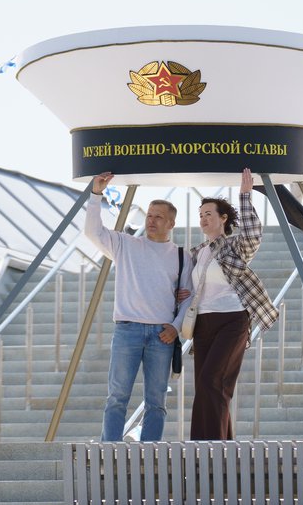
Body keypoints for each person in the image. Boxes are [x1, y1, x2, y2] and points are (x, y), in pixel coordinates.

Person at [86, 172, 193, 442]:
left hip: (162, 334)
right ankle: (110, 449)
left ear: (171, 223)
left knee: (157, 401)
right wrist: (96, 195)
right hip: (127, 330)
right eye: (149, 215)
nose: (151, 220)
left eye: (158, 217)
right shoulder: (125, 244)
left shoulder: (182, 256)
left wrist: (175, 327)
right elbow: (92, 232)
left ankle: (150, 452)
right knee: (117, 396)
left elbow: (188, 297)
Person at [189, 168, 279, 440]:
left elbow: (253, 234)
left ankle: (214, 450)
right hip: (202, 323)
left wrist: (245, 197)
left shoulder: (234, 246)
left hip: (232, 320)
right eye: (200, 215)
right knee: (205, 386)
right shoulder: (197, 253)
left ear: (223, 218)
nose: (203, 219)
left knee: (213, 381)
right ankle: (211, 446)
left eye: (209, 214)